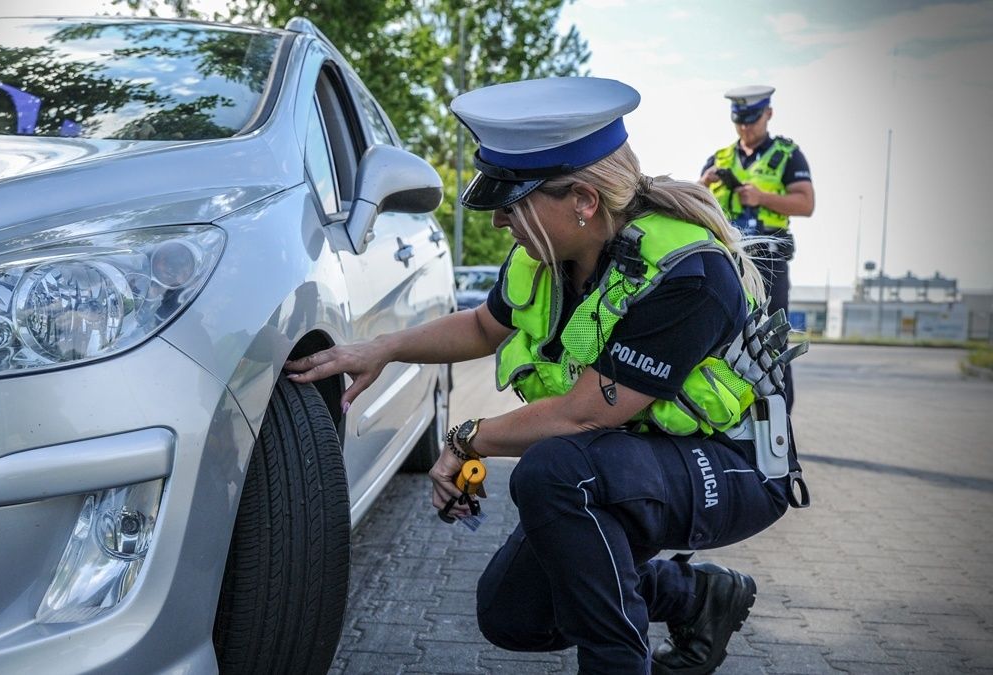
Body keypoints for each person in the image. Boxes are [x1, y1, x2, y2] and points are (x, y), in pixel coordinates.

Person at [285, 76, 807, 674]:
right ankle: (696, 597)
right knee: (511, 612)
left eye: (513, 203)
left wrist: (465, 442)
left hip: (732, 466)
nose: (501, 221)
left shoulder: (688, 274)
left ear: (583, 200)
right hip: (635, 456)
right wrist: (382, 348)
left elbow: (583, 414)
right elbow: (484, 326)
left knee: (557, 473)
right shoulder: (548, 256)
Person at [699, 85, 814, 410]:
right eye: (739, 121)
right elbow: (692, 203)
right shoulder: (719, 158)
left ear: (768, 114)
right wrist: (703, 186)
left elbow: (806, 202)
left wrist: (761, 197)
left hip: (768, 262)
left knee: (771, 341)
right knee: (722, 338)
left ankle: (779, 417)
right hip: (728, 259)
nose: (745, 127)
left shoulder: (788, 155)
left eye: (751, 120)